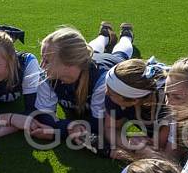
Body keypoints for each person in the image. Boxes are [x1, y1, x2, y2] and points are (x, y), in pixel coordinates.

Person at [30, 23, 135, 156]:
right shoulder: (48, 77)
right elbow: (43, 115)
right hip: (89, 60)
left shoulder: (103, 80)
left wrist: (60, 131)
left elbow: (99, 126)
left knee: (121, 54)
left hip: (111, 63)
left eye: (47, 61)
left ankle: (126, 35)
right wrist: (70, 126)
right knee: (94, 50)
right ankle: (104, 35)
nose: (41, 65)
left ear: (69, 64)